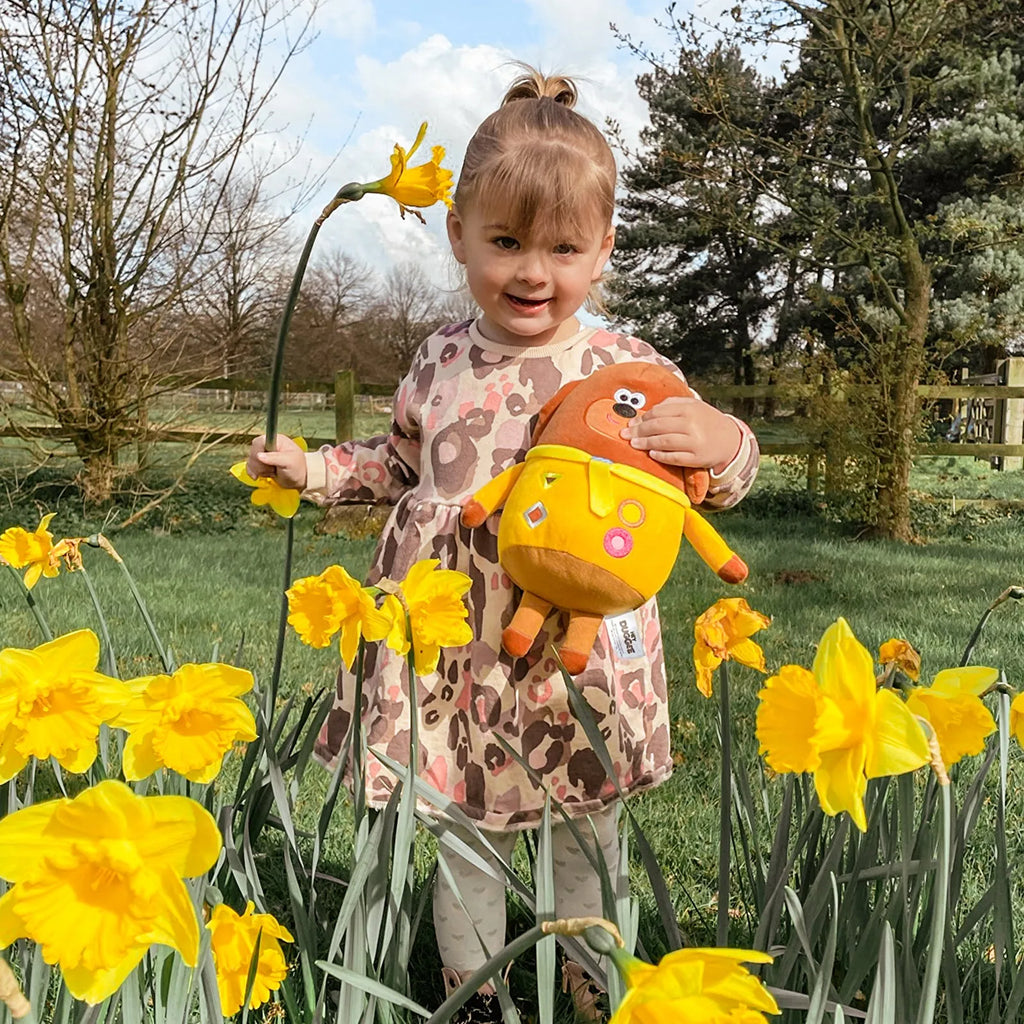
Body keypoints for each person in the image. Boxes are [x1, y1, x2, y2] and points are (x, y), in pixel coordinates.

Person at [246, 67, 759, 1024]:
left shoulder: (626, 372)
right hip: (449, 649)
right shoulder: (439, 356)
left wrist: (725, 443)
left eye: (564, 247)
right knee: (460, 827)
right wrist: (313, 472)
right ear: (458, 236)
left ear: (603, 250)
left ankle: (592, 978)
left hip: (579, 651)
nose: (534, 271)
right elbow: (397, 467)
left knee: (586, 829)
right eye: (507, 242)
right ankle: (475, 990)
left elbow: (705, 484)